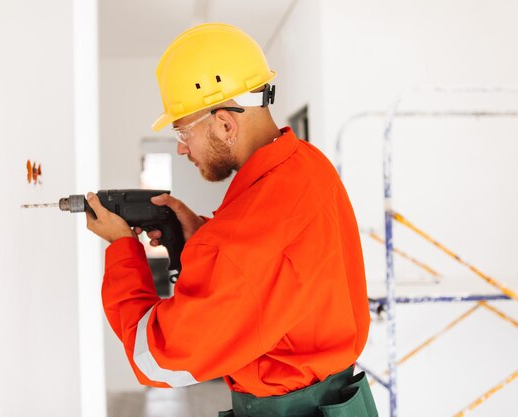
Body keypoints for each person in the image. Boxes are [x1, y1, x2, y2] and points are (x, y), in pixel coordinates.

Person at [86, 23, 377, 417]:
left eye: (182, 131)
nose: (183, 149)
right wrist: (204, 237)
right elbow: (285, 273)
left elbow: (158, 359)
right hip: (339, 401)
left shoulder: (242, 234)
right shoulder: (308, 164)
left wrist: (122, 250)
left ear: (225, 124)